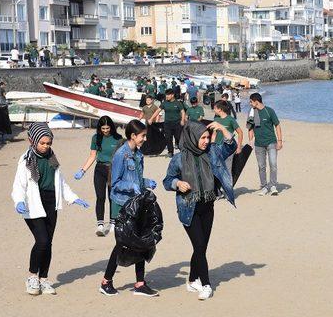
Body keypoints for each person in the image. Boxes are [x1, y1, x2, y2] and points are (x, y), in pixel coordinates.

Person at [11, 122, 89, 295]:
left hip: (50, 202)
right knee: (42, 241)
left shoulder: (52, 157)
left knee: (48, 243)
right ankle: (32, 276)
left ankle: (43, 279)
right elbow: (19, 184)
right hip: (32, 204)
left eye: (49, 143)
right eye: (43, 143)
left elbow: (60, 182)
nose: (46, 146)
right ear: (32, 141)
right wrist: (19, 201)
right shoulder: (26, 160)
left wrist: (74, 198)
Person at [163, 121, 237, 300]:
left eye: (207, 137)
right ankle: (206, 284)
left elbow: (232, 146)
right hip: (189, 208)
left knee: (201, 247)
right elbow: (167, 181)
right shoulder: (179, 159)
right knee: (199, 246)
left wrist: (222, 128)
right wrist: (178, 183)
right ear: (192, 137)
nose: (206, 141)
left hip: (207, 207)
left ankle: (192, 279)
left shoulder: (212, 152)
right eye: (202, 138)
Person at [100, 120, 159, 297]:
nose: (145, 139)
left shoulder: (138, 154)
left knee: (141, 241)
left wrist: (146, 182)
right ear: (133, 136)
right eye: (143, 136)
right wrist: (131, 186)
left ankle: (140, 284)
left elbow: (137, 179)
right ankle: (106, 281)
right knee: (122, 243)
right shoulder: (121, 155)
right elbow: (115, 183)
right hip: (122, 205)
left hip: (137, 202)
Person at [74, 116, 123, 236]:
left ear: (111, 127)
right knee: (100, 197)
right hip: (100, 169)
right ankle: (100, 225)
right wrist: (83, 170)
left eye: (107, 128)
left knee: (113, 197)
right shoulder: (96, 138)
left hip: (113, 170)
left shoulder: (118, 138)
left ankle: (113, 223)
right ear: (99, 128)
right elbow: (92, 156)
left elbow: (122, 157)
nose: (105, 131)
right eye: (103, 128)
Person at [247, 93, 282, 196]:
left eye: (251, 101)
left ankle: (273, 185)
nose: (250, 103)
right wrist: (250, 140)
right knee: (261, 166)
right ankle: (264, 186)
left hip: (271, 142)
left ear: (256, 101)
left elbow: (277, 125)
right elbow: (250, 128)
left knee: (273, 164)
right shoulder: (252, 113)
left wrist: (279, 141)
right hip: (258, 144)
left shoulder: (269, 111)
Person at [212, 100, 243, 175]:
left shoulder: (230, 119)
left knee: (227, 168)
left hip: (227, 147)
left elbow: (240, 132)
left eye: (215, 108)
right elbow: (214, 134)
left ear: (220, 109)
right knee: (216, 167)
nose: (214, 110)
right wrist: (211, 146)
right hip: (217, 146)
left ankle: (228, 185)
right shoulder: (216, 119)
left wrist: (239, 147)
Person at [161, 89, 185, 158]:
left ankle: (182, 151)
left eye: (168, 95)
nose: (167, 96)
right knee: (168, 138)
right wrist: (151, 118)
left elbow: (183, 112)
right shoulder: (164, 103)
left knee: (178, 137)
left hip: (177, 123)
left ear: (172, 95)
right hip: (167, 124)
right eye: (166, 95)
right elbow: (158, 110)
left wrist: (182, 120)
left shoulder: (178, 103)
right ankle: (170, 152)